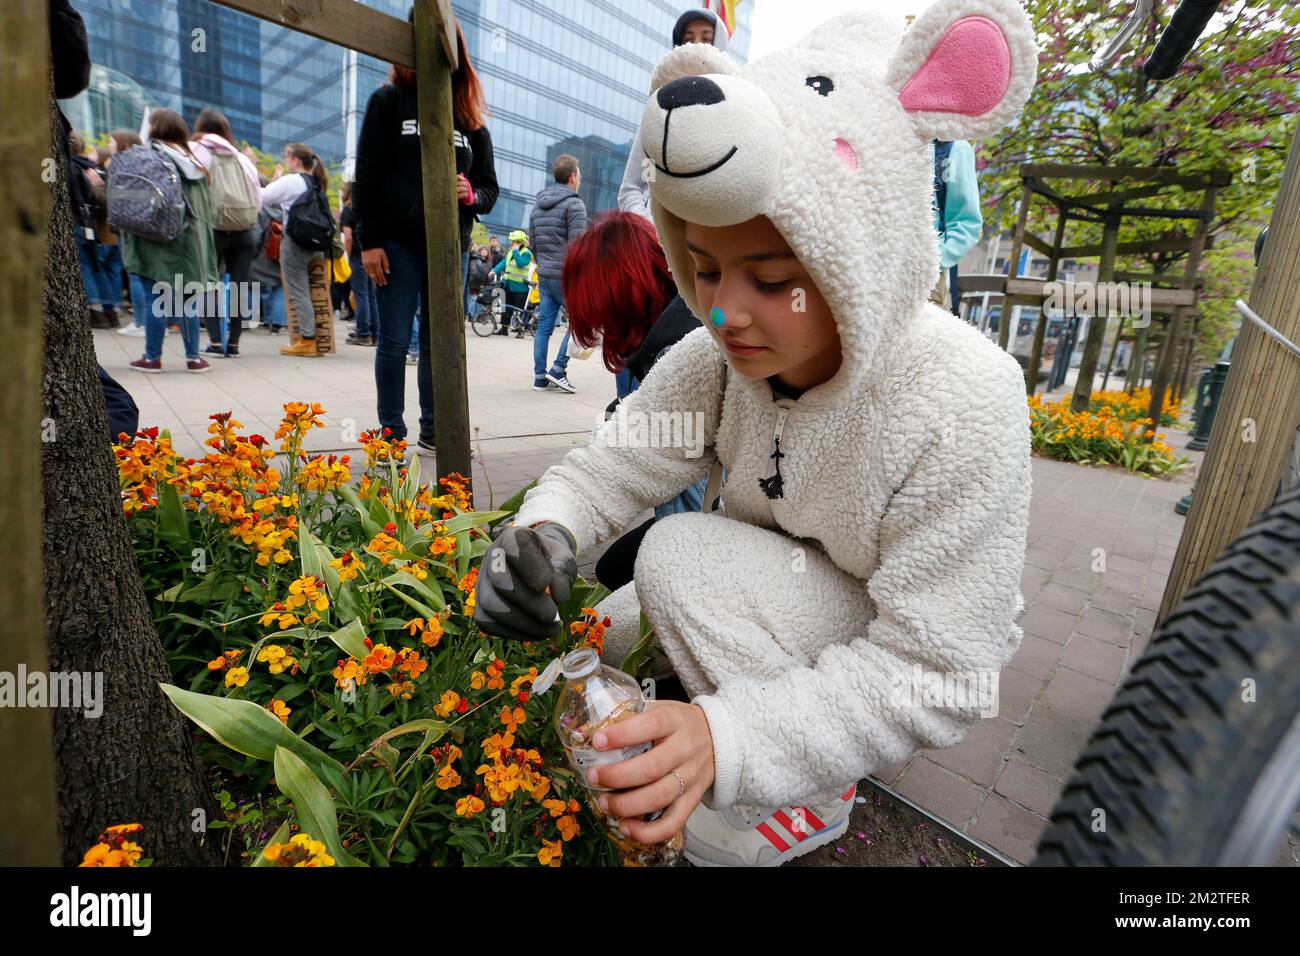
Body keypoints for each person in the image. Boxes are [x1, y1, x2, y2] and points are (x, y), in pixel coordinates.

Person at [472, 2, 1037, 867]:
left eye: (771, 278)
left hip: (885, 632)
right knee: (607, 639)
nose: (726, 311)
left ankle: (809, 795)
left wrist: (727, 741)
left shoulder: (965, 396)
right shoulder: (717, 357)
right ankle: (753, 723)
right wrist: (545, 530)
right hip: (777, 593)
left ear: (865, 252)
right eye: (703, 267)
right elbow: (616, 462)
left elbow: (940, 672)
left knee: (675, 559)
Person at [354, 19, 498, 450]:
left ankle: (435, 429)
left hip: (448, 246)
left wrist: (471, 193)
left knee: (440, 345)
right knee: (395, 342)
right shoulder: (388, 102)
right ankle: (390, 435)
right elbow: (367, 177)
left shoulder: (472, 125)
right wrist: (369, 241)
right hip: (396, 245)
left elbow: (490, 189)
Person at [124, 109, 218, 374]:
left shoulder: (153, 160)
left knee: (157, 299)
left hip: (157, 240)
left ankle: (152, 358)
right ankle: (193, 358)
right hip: (191, 242)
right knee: (187, 300)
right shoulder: (196, 165)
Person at [618, 8, 730, 221]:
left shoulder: (738, 110)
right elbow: (638, 182)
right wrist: (649, 226)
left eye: (707, 38)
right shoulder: (658, 110)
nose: (696, 44)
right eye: (688, 39)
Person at [191, 108, 263, 356]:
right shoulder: (242, 158)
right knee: (240, 286)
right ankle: (233, 343)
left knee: (209, 283)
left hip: (213, 228)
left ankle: (214, 342)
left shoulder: (197, 150)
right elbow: (257, 196)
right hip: (245, 229)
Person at [260, 142, 329, 357]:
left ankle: (307, 340)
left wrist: (273, 179)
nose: (285, 160)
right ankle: (318, 338)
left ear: (296, 160)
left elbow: (263, 197)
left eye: (287, 157)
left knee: (299, 291)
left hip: (295, 242)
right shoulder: (317, 182)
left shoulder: (292, 181)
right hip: (316, 244)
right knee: (313, 291)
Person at [528, 154, 586, 393]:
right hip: (566, 277)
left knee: (544, 326)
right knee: (581, 323)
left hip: (545, 274)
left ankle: (540, 377)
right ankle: (558, 370)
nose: (579, 179)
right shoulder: (574, 205)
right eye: (579, 174)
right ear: (572, 176)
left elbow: (532, 243)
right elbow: (578, 246)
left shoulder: (537, 206)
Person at [930, 139, 981, 315]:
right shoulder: (891, 136)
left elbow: (967, 221)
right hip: (879, 266)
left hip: (926, 274)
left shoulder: (953, 148)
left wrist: (934, 259)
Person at [107, 129, 149, 338]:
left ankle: (141, 322)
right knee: (145, 275)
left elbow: (118, 195)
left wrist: (101, 185)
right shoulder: (147, 160)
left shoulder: (121, 162)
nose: (109, 145)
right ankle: (149, 321)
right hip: (146, 223)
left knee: (134, 274)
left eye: (111, 141)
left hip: (128, 224)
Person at [339, 181, 376, 346]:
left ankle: (363, 333)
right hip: (371, 253)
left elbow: (347, 237)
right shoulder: (367, 208)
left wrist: (349, 254)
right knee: (371, 295)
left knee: (360, 295)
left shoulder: (348, 210)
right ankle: (375, 332)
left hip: (357, 255)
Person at [490, 230, 534, 340]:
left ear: (520, 242)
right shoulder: (511, 252)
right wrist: (494, 271)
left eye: (514, 241)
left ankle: (520, 330)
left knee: (519, 309)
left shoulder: (527, 253)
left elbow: (520, 263)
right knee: (505, 308)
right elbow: (503, 263)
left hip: (520, 286)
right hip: (508, 284)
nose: (511, 243)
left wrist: (515, 251)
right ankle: (504, 328)